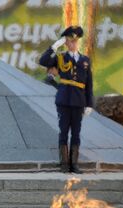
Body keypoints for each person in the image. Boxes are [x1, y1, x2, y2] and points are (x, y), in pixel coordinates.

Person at [39, 26, 94, 174]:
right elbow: (43, 61)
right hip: (63, 100)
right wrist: (54, 46)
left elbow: (89, 84)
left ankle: (74, 165)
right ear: (66, 43)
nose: (73, 43)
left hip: (78, 101)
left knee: (76, 133)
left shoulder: (85, 60)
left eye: (75, 41)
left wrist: (89, 104)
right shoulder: (60, 57)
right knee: (64, 132)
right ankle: (64, 164)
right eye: (70, 41)